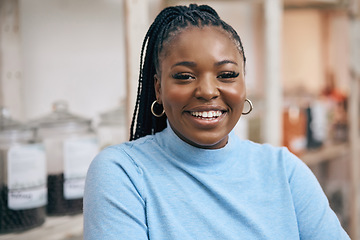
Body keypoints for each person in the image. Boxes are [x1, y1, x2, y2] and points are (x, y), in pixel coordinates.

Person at [83, 4, 349, 239]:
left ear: (244, 83)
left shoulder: (285, 171)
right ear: (158, 89)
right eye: (185, 76)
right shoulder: (123, 173)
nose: (208, 91)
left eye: (227, 74)